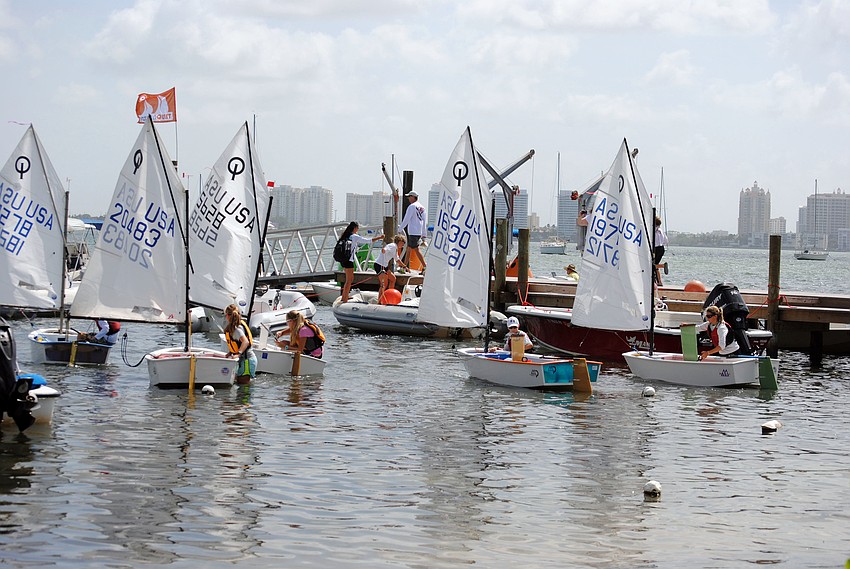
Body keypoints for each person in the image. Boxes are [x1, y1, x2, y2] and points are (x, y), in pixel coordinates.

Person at [338, 221, 384, 303]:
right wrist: (380, 237)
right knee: (349, 280)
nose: (357, 230)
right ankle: (344, 298)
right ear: (355, 228)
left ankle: (345, 296)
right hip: (349, 261)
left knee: (350, 279)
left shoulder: (345, 236)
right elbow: (368, 240)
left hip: (343, 260)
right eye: (357, 228)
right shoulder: (354, 236)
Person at [224, 303, 256, 384]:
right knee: (240, 387)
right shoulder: (235, 328)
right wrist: (231, 352)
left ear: (227, 316)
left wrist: (238, 353)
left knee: (243, 390)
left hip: (246, 360)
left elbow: (245, 342)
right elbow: (237, 343)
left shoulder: (237, 329)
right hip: (243, 360)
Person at [398, 190, 427, 272]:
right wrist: (424, 234)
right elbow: (424, 221)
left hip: (413, 231)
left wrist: (400, 229)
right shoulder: (423, 208)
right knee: (409, 249)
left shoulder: (412, 207)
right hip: (418, 231)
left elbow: (406, 219)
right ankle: (404, 267)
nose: (408, 199)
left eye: (409, 197)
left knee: (415, 249)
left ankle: (425, 266)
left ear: (413, 197)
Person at [375, 234, 408, 301]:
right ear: (399, 242)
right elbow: (386, 248)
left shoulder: (395, 248)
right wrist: (384, 249)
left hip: (385, 266)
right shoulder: (393, 246)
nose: (403, 245)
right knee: (384, 284)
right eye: (402, 243)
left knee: (393, 279)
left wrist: (405, 267)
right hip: (380, 265)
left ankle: (389, 296)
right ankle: (379, 301)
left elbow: (397, 259)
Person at [654, 216, 669, 286]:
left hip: (656, 249)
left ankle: (662, 265)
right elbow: (666, 241)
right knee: (655, 267)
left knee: (653, 265)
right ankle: (659, 282)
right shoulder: (661, 231)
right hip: (662, 248)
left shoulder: (653, 230)